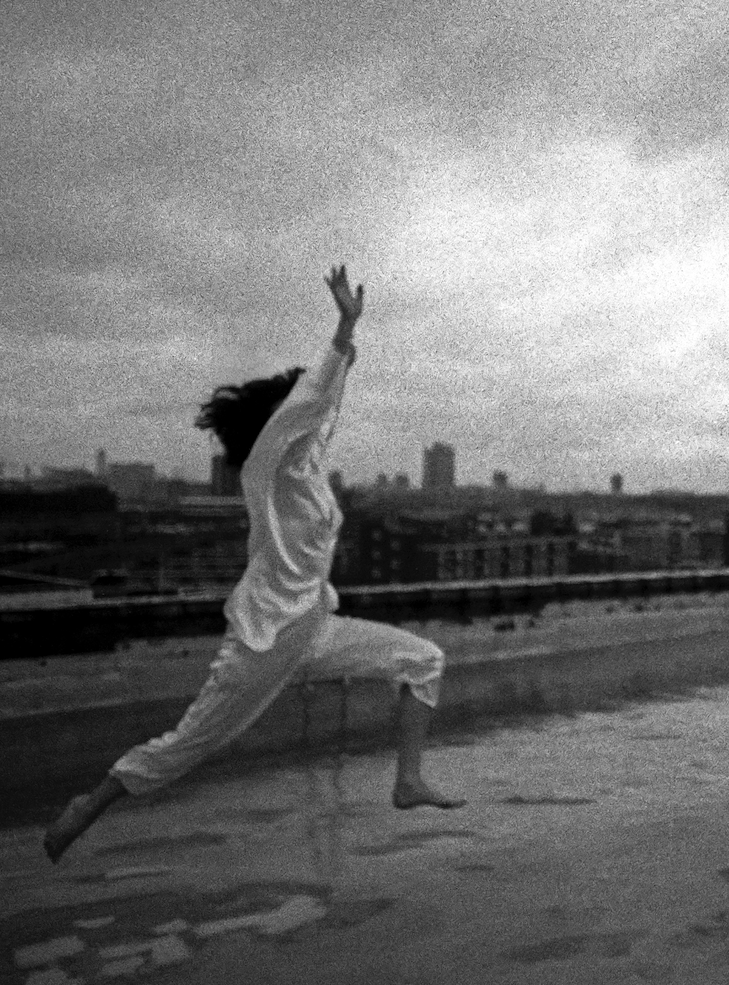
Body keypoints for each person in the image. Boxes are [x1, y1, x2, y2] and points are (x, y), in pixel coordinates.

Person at [44, 265, 461, 864]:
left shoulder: (308, 468)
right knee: (188, 744)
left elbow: (324, 406)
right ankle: (87, 807)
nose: (315, 423)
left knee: (423, 661)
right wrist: (342, 328)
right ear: (279, 424)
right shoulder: (264, 468)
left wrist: (348, 349)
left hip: (314, 626)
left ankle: (408, 782)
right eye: (302, 415)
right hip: (266, 641)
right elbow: (312, 401)